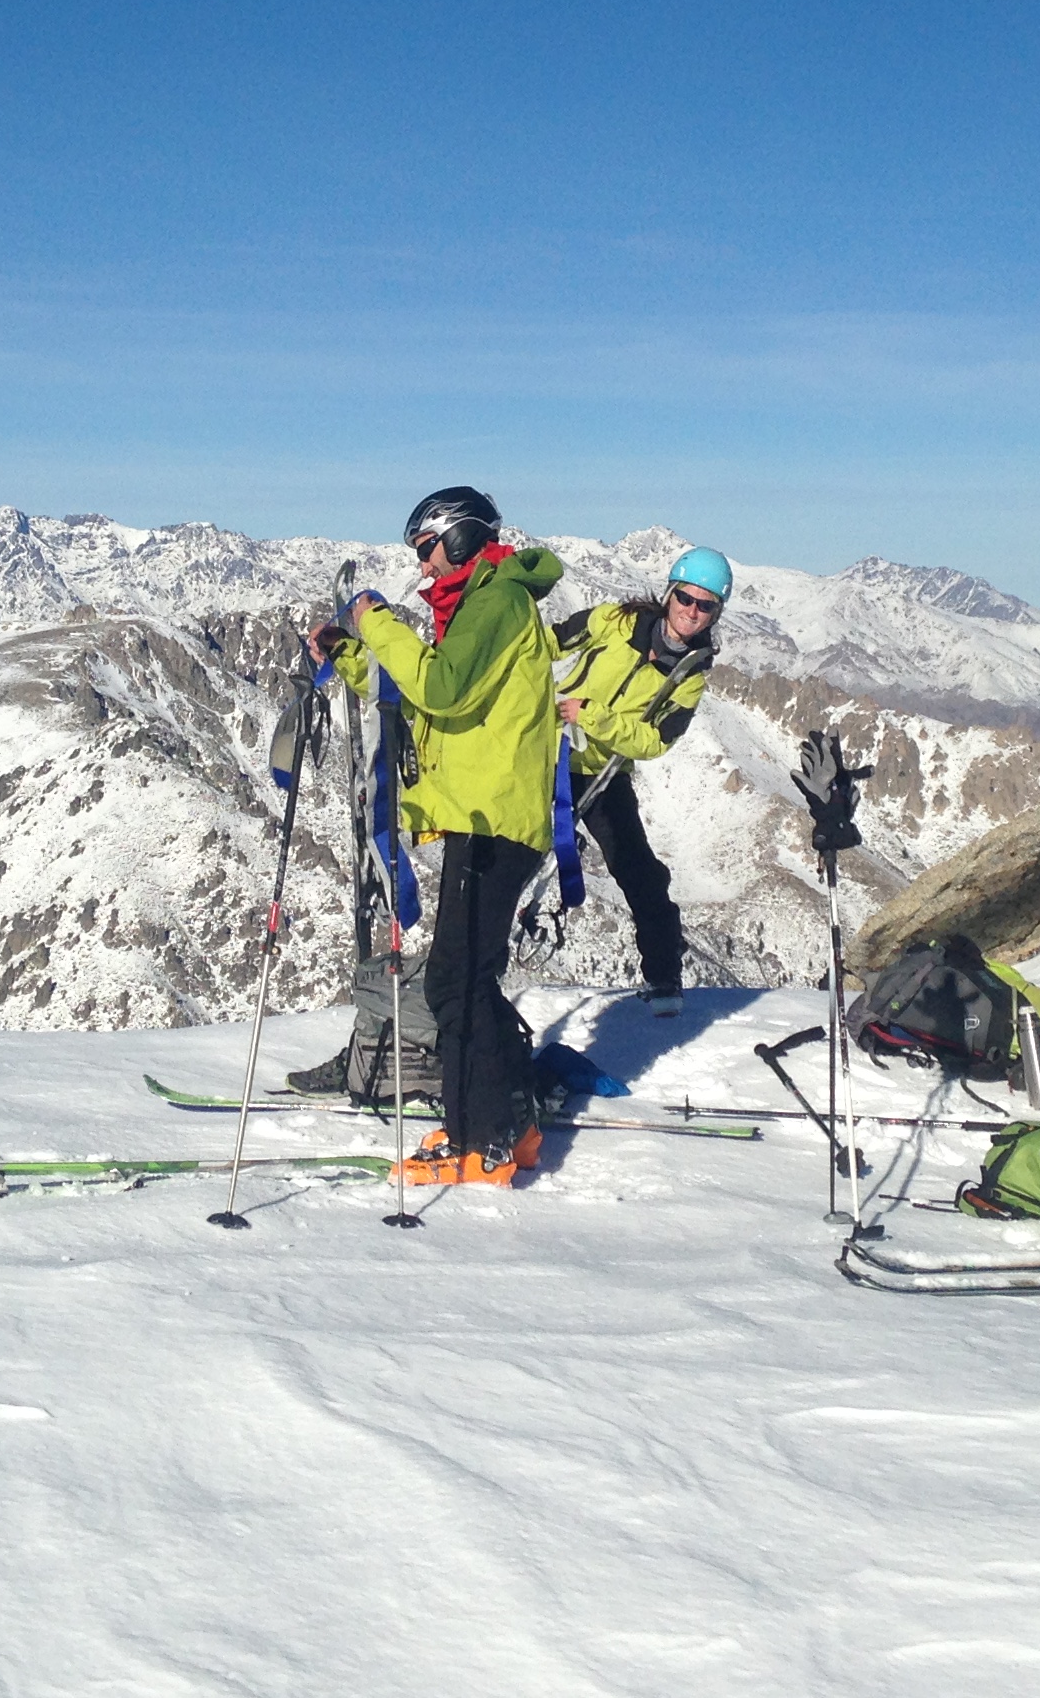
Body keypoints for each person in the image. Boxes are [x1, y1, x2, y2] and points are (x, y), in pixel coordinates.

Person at [308, 486, 567, 1187]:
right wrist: (354, 657)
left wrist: (377, 623)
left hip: (492, 821)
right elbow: (432, 708)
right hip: (483, 817)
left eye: (425, 549)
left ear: (456, 538)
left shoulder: (499, 600)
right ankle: (511, 1126)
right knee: (464, 979)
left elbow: (443, 688)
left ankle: (480, 1138)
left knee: (458, 983)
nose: (421, 568)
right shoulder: (484, 604)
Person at [549, 545, 726, 1012]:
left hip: (603, 771)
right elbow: (552, 641)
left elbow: (654, 742)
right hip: (546, 749)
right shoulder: (617, 621)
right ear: (669, 594)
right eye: (686, 598)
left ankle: (664, 977)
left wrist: (594, 717)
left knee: (641, 873)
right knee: (509, 859)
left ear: (716, 614)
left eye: (705, 605)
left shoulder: (690, 675)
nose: (692, 611)